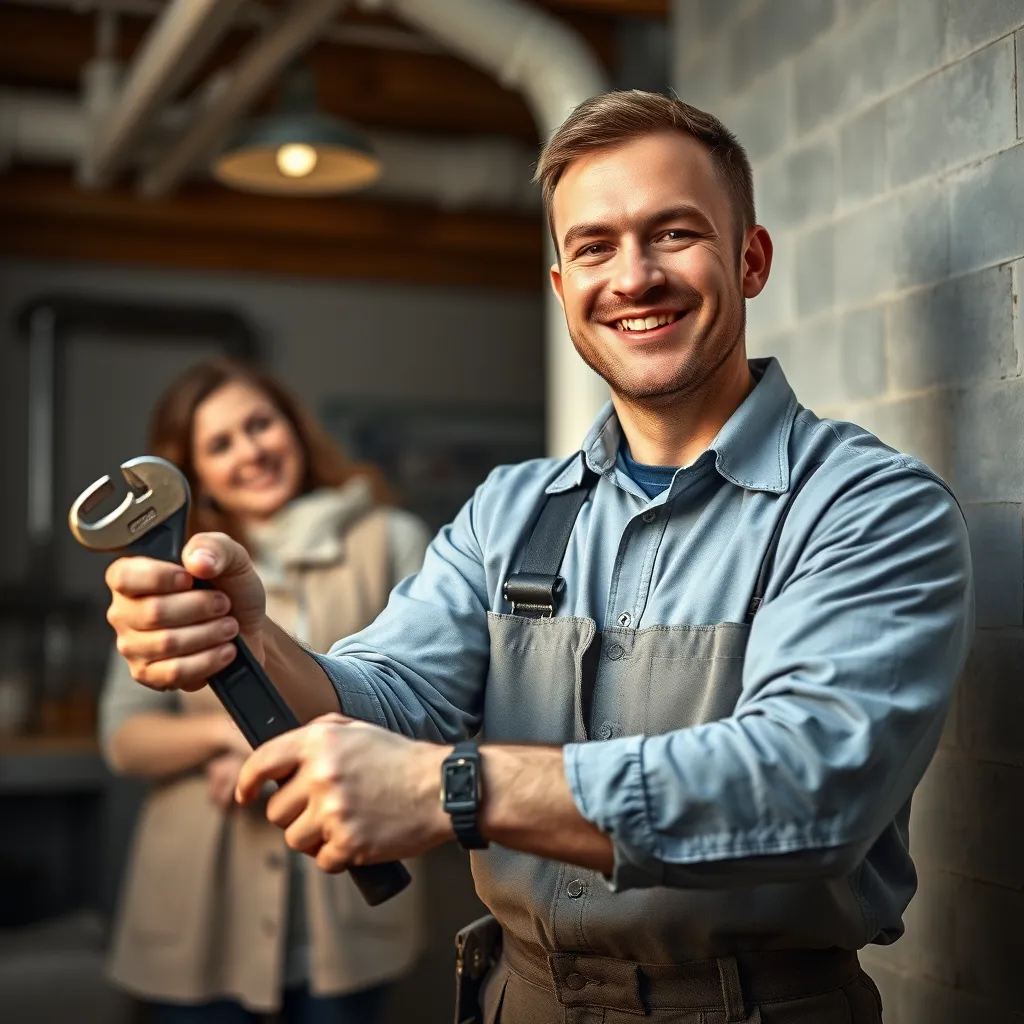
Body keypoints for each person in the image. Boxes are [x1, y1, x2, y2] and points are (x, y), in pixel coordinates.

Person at [101, 92, 975, 1024]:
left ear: (750, 260)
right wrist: (256, 638)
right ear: (563, 288)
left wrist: (458, 788)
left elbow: (813, 785)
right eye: (594, 247)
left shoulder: (869, 506)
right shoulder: (509, 510)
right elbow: (393, 696)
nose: (633, 277)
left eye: (673, 233)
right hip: (519, 1000)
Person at [99, 358, 428, 1024]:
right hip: (199, 914)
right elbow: (124, 738)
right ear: (193, 470)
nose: (250, 451)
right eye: (220, 444)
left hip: (344, 902)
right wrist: (234, 737)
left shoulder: (390, 541)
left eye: (260, 424)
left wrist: (286, 745)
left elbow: (431, 703)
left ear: (295, 427)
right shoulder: (170, 570)